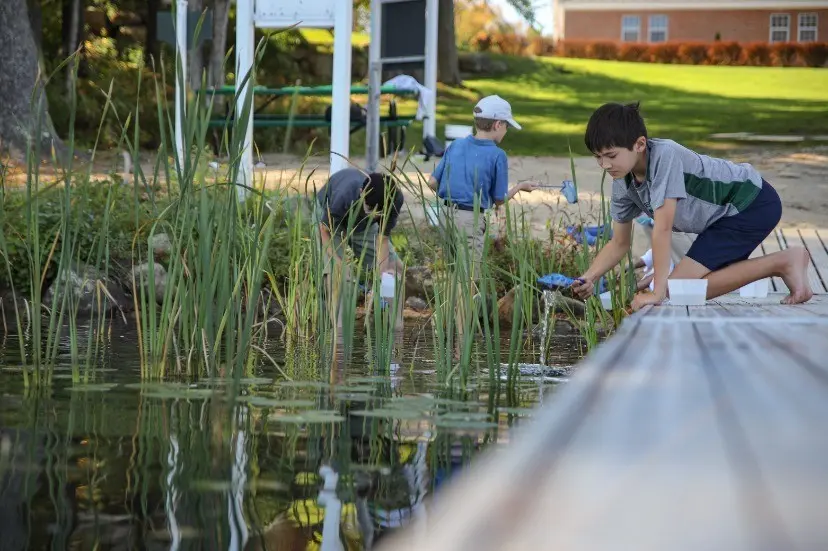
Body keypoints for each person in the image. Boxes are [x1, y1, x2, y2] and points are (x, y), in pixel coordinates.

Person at [571, 102, 812, 309]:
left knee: (677, 290)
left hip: (750, 203)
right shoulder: (622, 180)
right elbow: (619, 243)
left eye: (611, 156)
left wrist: (657, 292)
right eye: (597, 157)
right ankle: (786, 262)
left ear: (640, 144)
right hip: (721, 220)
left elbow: (662, 229)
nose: (604, 164)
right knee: (679, 286)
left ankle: (783, 262)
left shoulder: (665, 157)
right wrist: (589, 277)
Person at [426, 94, 537, 270]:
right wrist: (520, 187)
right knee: (470, 275)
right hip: (470, 219)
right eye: (506, 126)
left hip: (445, 215)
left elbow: (432, 182)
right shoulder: (497, 155)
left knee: (448, 272)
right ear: (498, 124)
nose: (506, 131)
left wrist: (454, 192)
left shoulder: (456, 145)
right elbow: (499, 199)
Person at [316, 168, 405, 328]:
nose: (374, 215)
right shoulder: (343, 195)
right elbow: (324, 231)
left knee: (394, 271)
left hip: (364, 227)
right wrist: (339, 264)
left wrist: (381, 277)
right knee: (337, 275)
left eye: (380, 213)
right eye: (370, 209)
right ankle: (340, 330)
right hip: (332, 225)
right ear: (361, 192)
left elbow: (382, 240)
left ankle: (395, 329)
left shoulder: (395, 199)